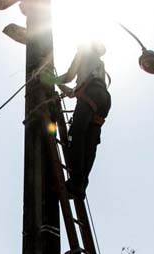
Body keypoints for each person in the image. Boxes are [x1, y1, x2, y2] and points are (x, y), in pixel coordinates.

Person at [54, 41, 112, 198]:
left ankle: (75, 183)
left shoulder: (83, 52)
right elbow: (76, 92)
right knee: (90, 143)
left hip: (90, 95)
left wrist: (50, 80)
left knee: (76, 137)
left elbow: (69, 76)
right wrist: (60, 87)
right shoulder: (99, 63)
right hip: (103, 100)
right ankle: (81, 185)